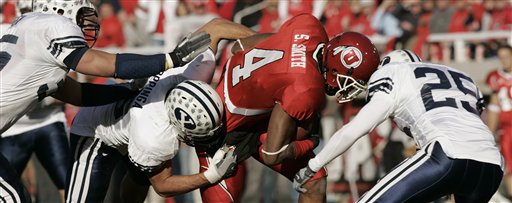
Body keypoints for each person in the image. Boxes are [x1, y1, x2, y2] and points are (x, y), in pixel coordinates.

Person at [0, 0, 211, 201]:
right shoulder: (54, 25)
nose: (85, 24)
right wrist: (170, 59)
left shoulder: (28, 33)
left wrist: (128, 89)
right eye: (81, 16)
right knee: (13, 198)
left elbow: (79, 94)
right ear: (59, 10)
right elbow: (106, 64)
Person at [65, 18, 257, 203]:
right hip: (95, 131)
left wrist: (272, 47)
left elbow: (217, 27)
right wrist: (211, 175)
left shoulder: (193, 71)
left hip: (133, 122)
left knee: (139, 178)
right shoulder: (154, 137)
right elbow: (163, 186)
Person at [196, 14, 380, 203]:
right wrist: (311, 142)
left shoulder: (309, 26)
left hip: (252, 109)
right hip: (221, 129)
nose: (348, 89)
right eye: (351, 82)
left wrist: (278, 55)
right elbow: (271, 155)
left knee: (313, 181)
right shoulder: (307, 89)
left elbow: (239, 47)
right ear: (335, 71)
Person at [293, 49, 504, 202]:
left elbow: (355, 129)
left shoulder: (394, 72)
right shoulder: (462, 76)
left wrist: (314, 165)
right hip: (492, 165)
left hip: (446, 154)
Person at [486, 45, 512, 196]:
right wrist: (490, 132)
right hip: (507, 128)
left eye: (507, 56)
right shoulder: (495, 77)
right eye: (501, 57)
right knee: (509, 164)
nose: (504, 60)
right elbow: (494, 106)